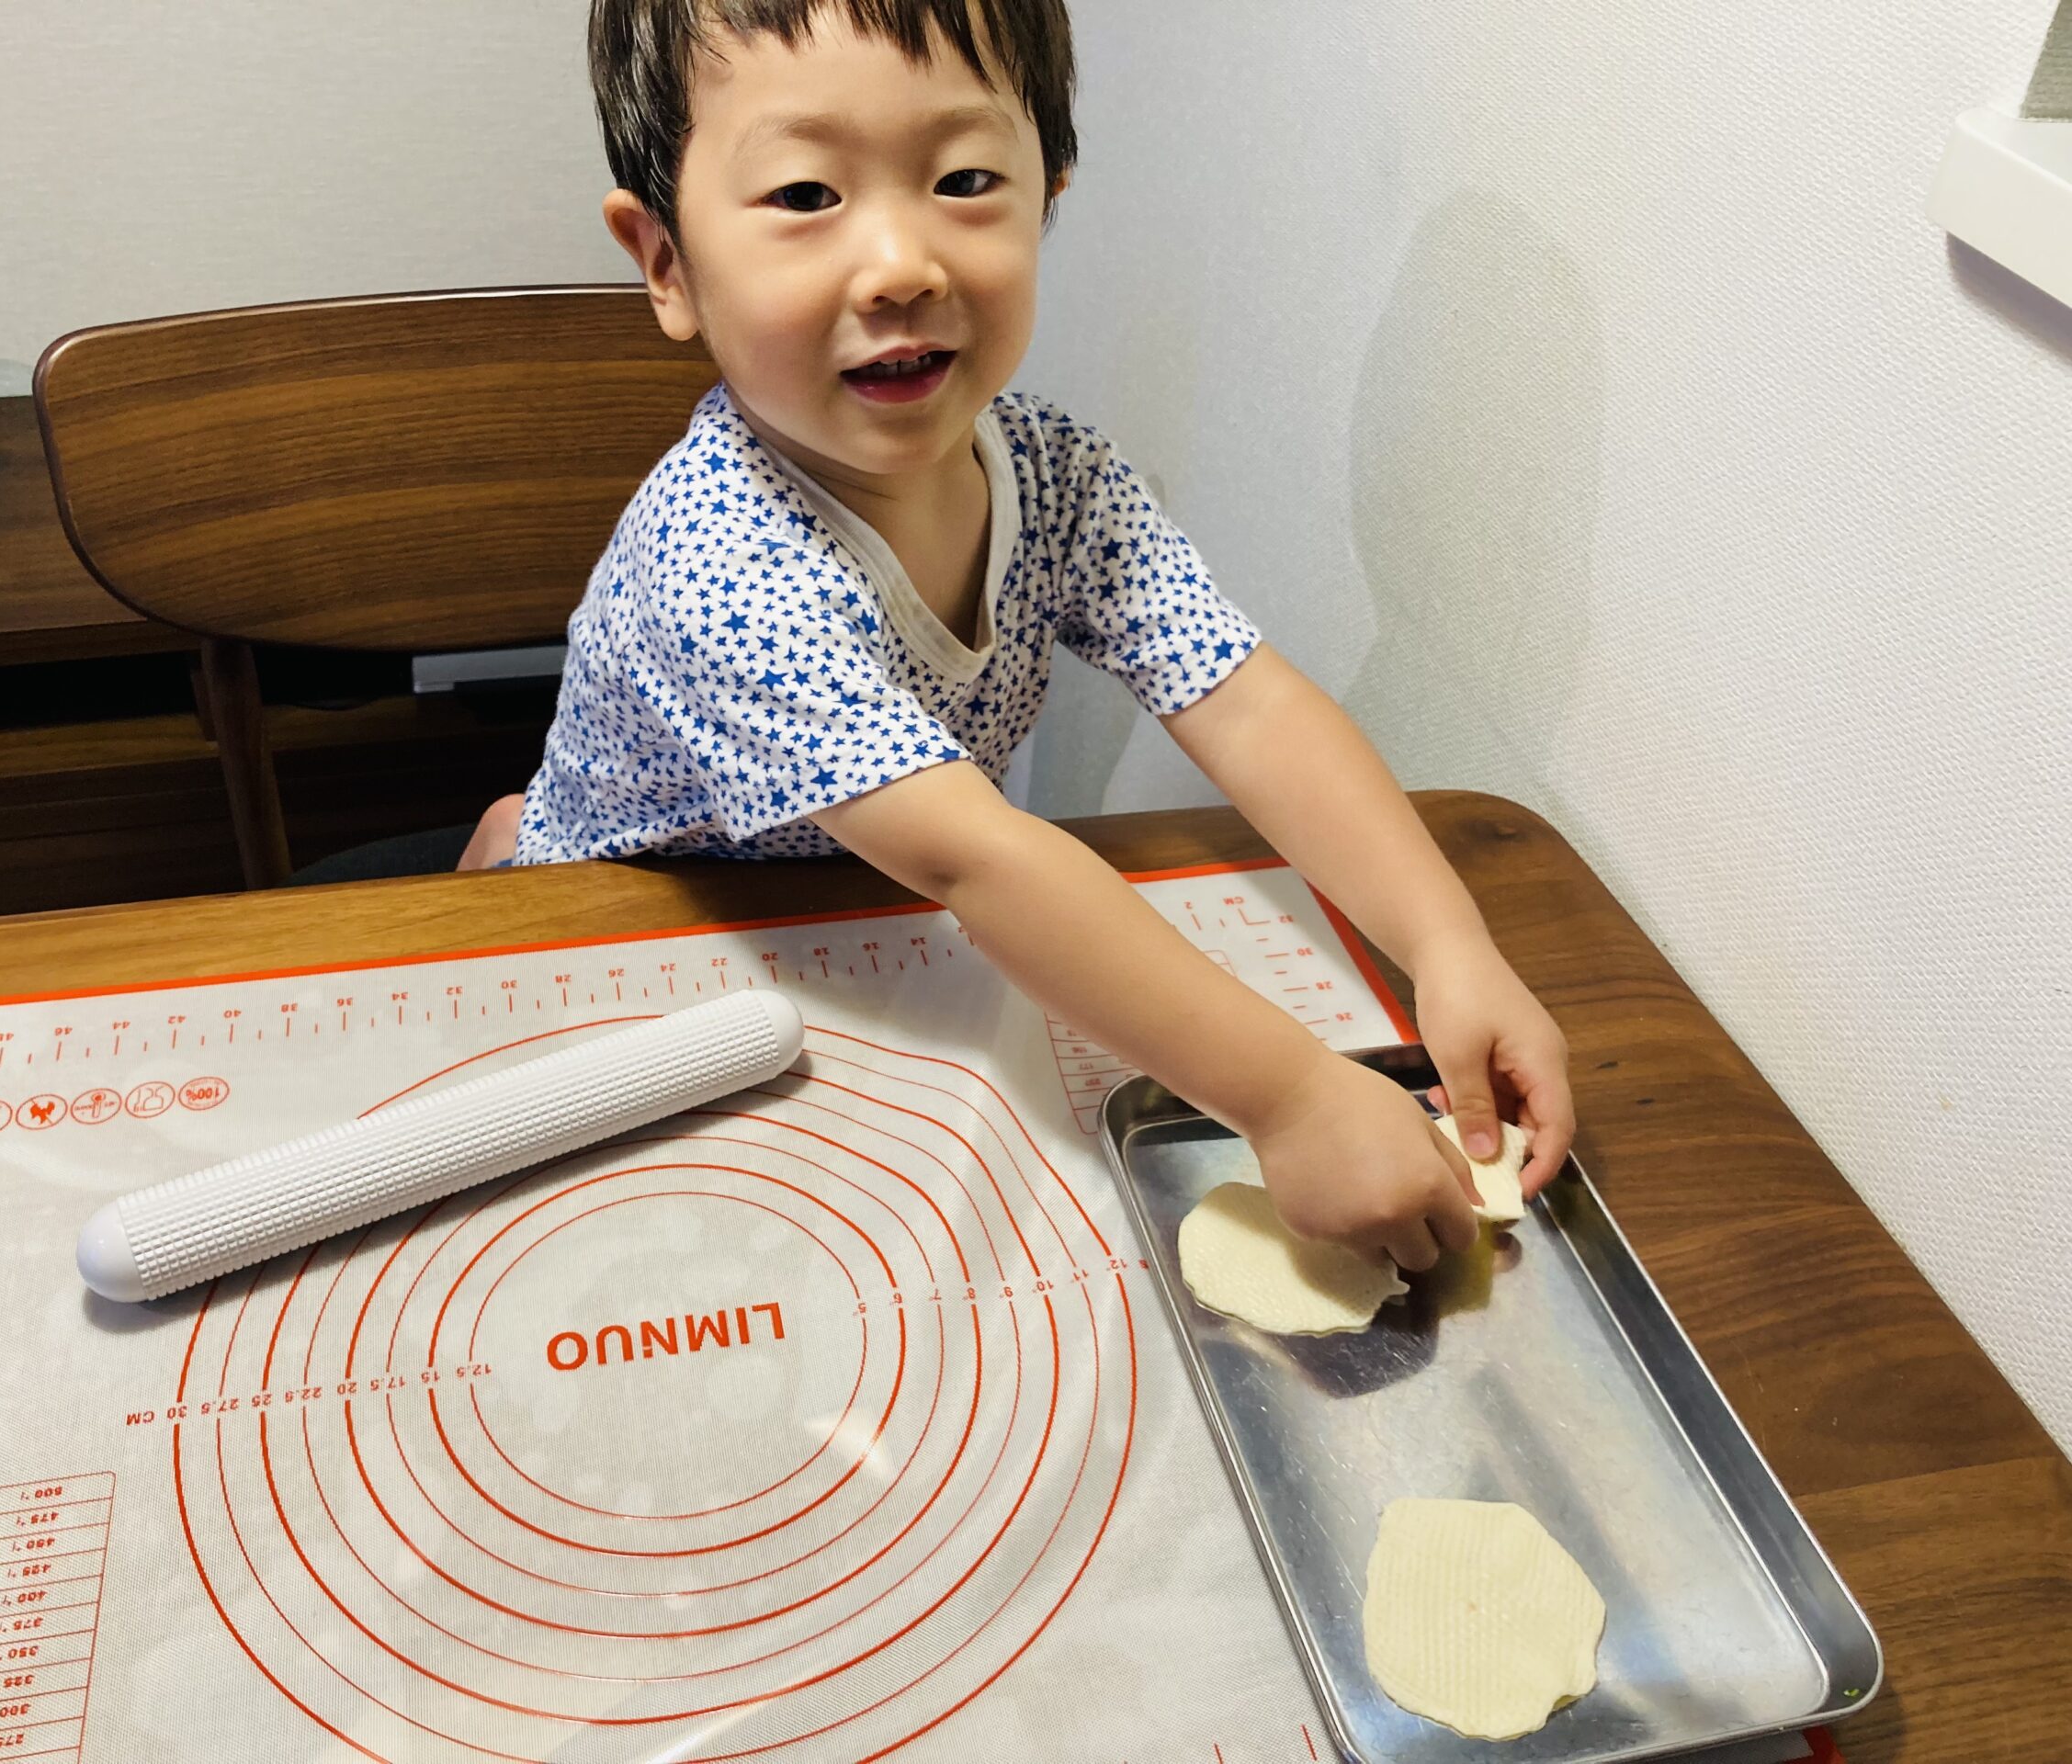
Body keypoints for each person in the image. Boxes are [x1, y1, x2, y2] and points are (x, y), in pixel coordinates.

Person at [460, 0, 1573, 1271]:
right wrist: (1294, 1097)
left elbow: (1245, 700)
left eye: (964, 181)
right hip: (652, 942)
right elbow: (982, 861)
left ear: (1049, 193)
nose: (901, 266)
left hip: (873, 923)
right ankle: (519, 839)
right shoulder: (718, 561)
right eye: (807, 194)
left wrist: (1447, 945)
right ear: (666, 261)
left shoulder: (1054, 468)